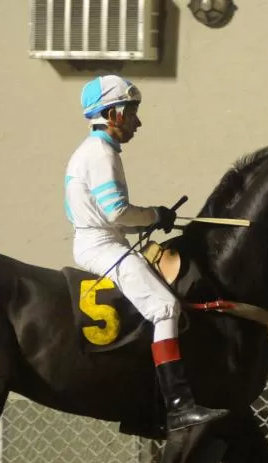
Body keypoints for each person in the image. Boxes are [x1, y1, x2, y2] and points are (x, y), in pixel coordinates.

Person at [64, 74, 228, 433]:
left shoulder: (96, 151)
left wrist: (153, 219)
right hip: (102, 245)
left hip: (106, 241)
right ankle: (179, 406)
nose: (139, 121)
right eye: (133, 113)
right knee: (165, 307)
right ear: (114, 115)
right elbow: (117, 213)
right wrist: (156, 215)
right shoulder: (100, 153)